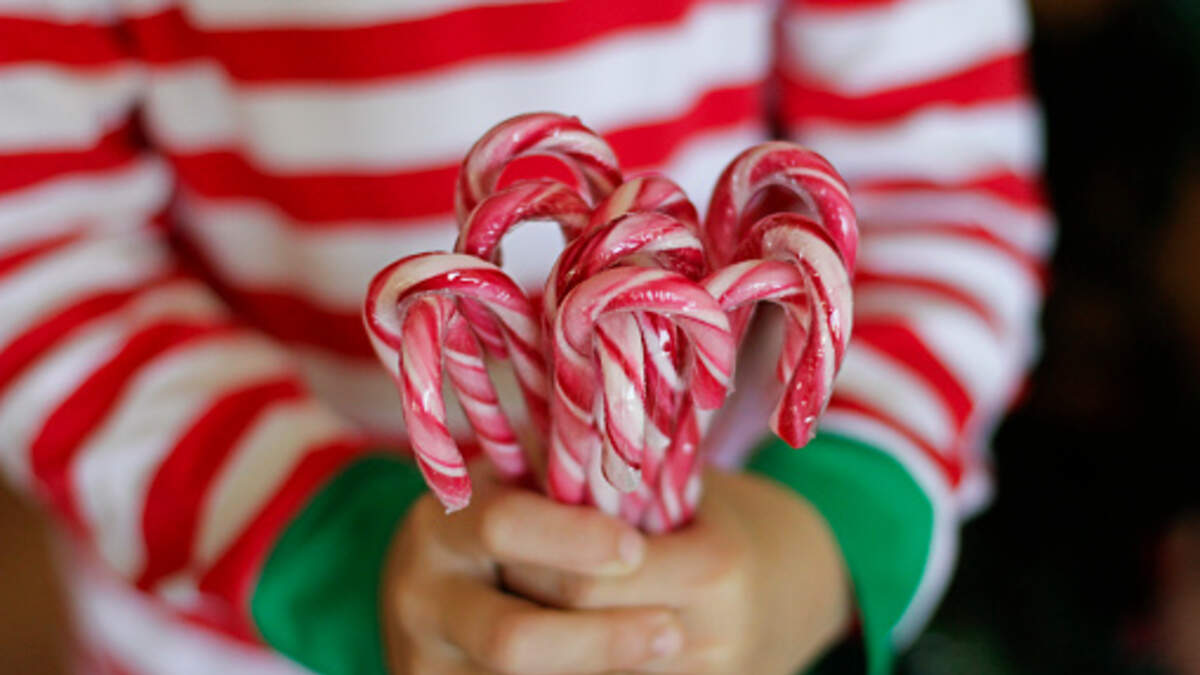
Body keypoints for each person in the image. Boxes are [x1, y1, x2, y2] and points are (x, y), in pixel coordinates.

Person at [0, 0, 1051, 673]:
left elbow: (942, 206)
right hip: (236, 628)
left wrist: (823, 535)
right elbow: (35, 250)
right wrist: (333, 551)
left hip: (704, 609)